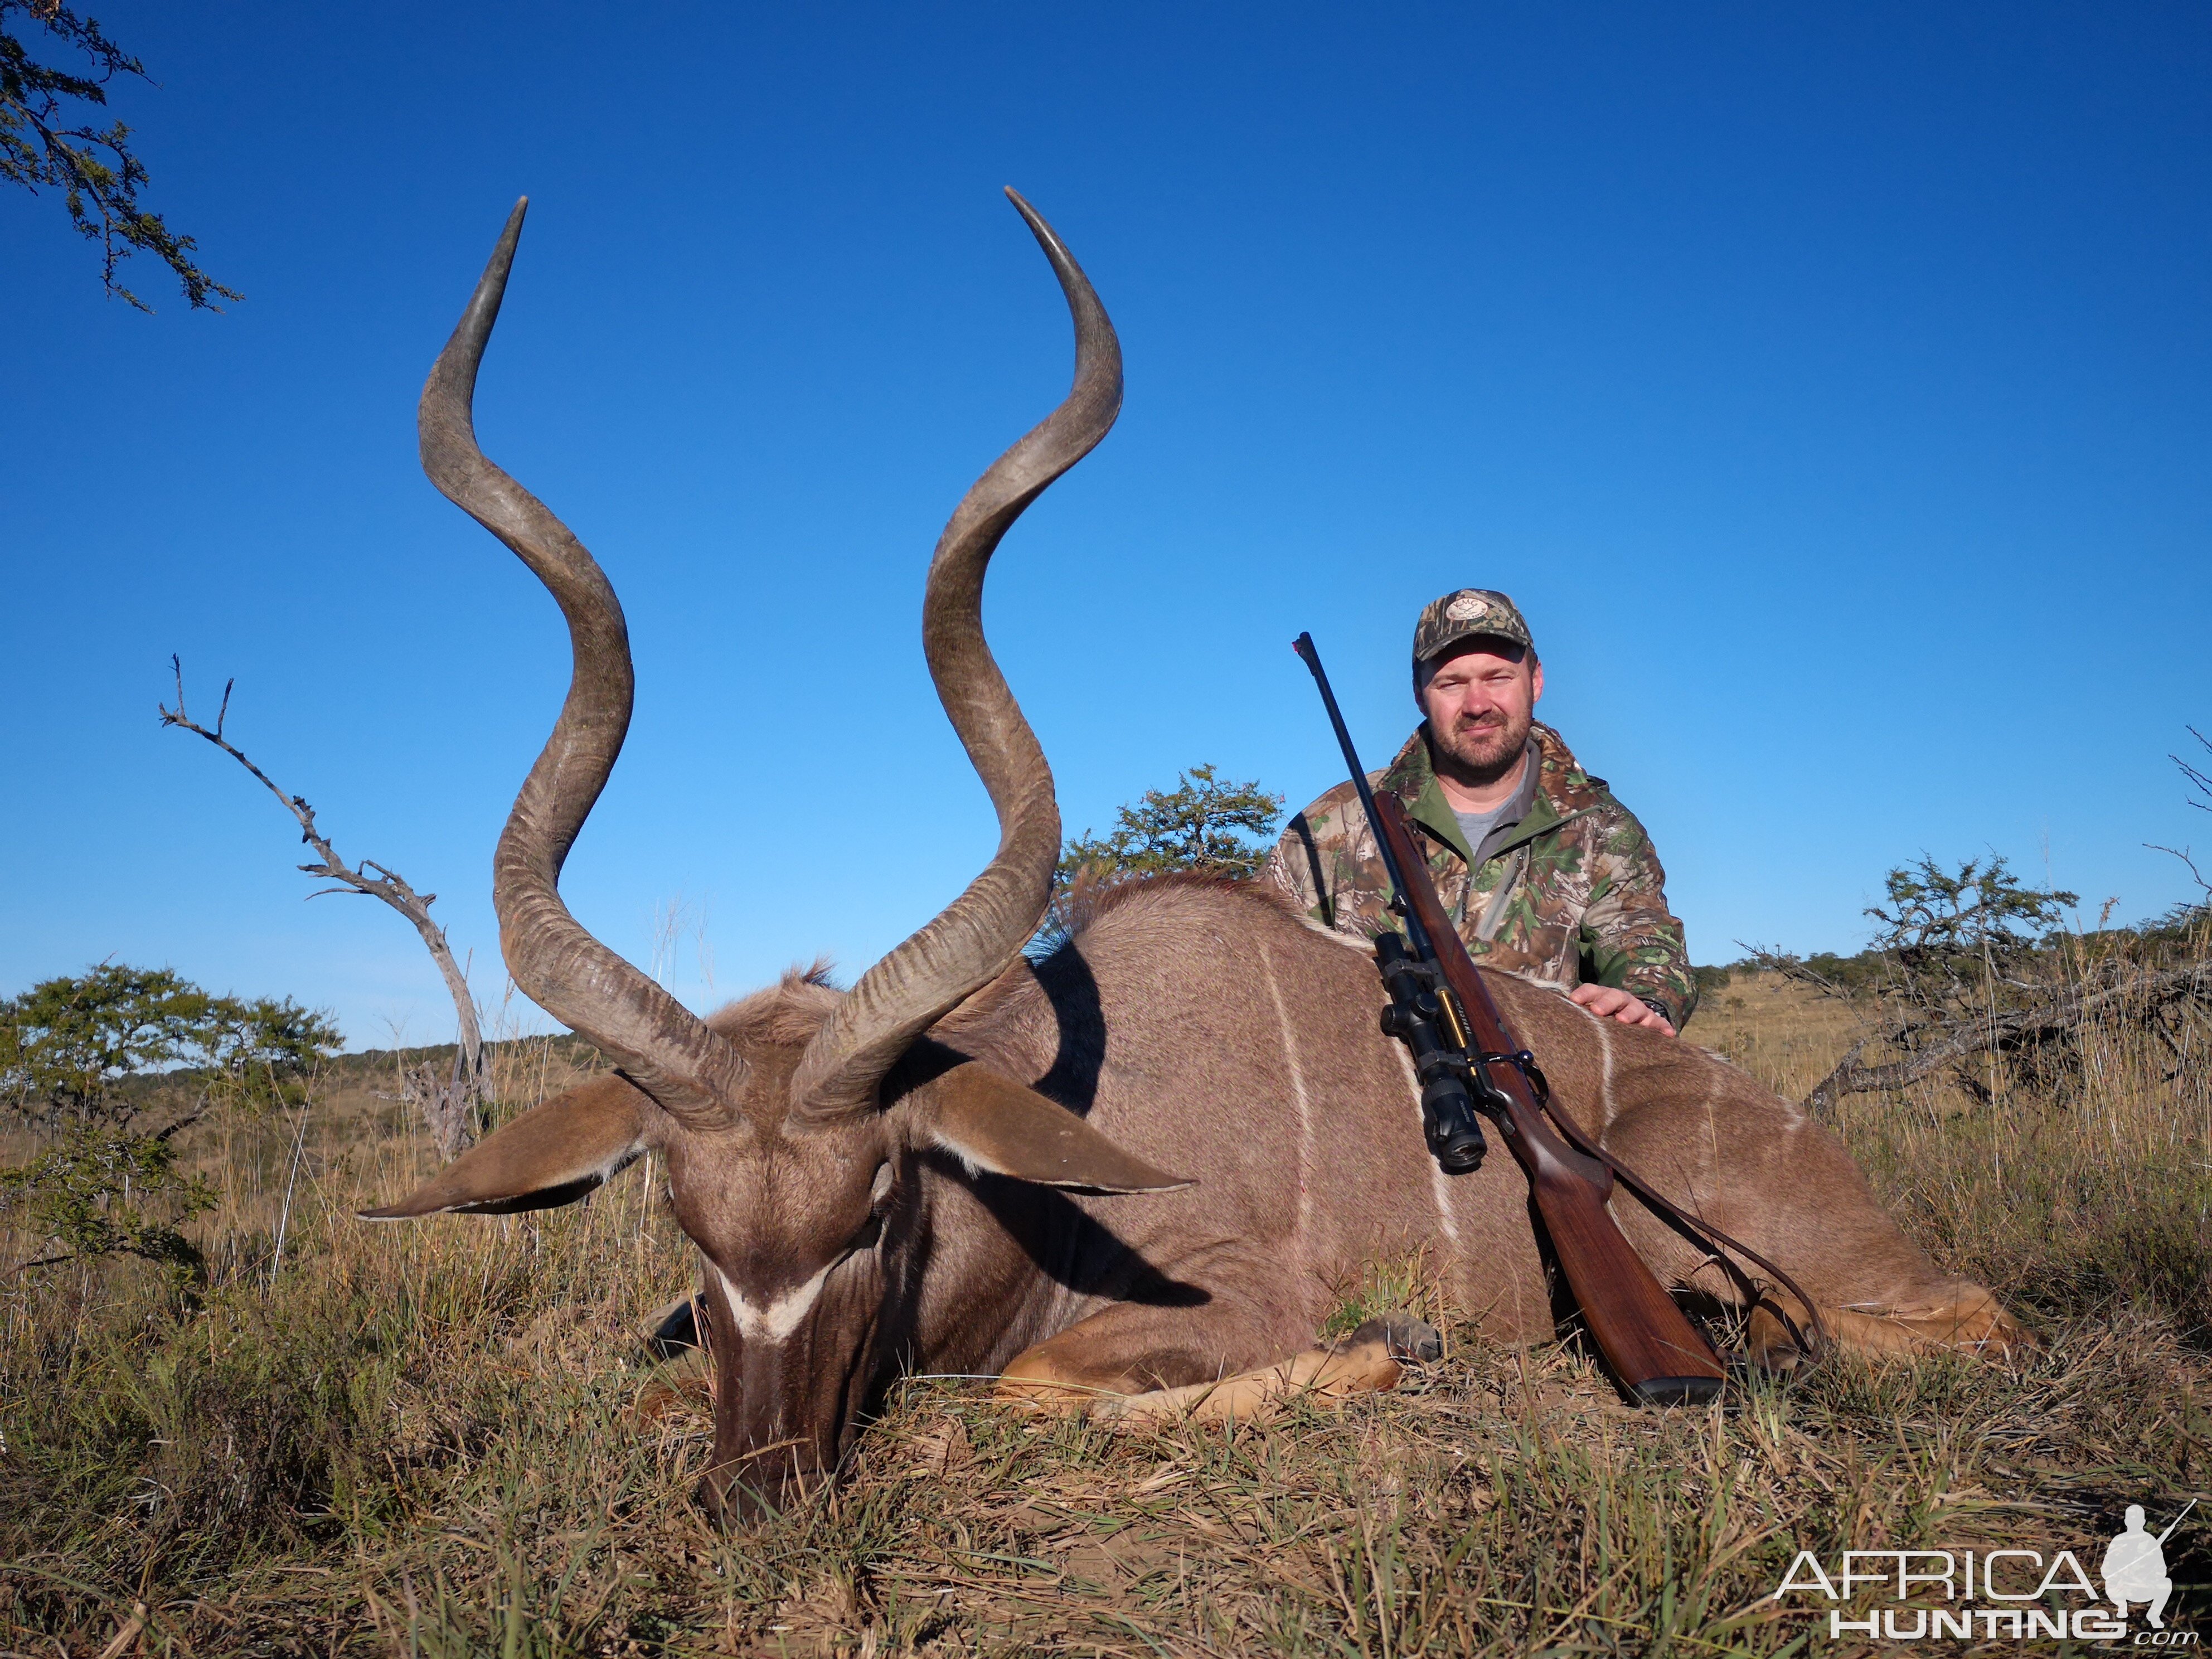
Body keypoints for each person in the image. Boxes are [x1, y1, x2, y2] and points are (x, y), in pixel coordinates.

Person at [1267, 588, 1698, 1032]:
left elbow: (1645, 945)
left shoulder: (1600, 825)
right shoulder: (1334, 822)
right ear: (1419, 695)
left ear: (1536, 681)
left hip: (1543, 1090)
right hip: (1370, 1090)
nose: (1477, 705)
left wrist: (1646, 1001)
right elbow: (1263, 950)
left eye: (1498, 678)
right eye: (1451, 683)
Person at [2102, 1505, 2176, 1629]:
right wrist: (2122, 1573)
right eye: (2131, 1520)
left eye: (2137, 1520)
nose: (2134, 1524)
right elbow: (2107, 1568)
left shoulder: (2150, 1540)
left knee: (2166, 1583)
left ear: (2143, 1522)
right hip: (2123, 1587)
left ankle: (2154, 1614)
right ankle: (2122, 1606)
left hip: (2145, 1587)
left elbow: (2161, 1569)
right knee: (2110, 1583)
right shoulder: (2119, 1540)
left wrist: (2146, 1572)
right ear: (2126, 1522)